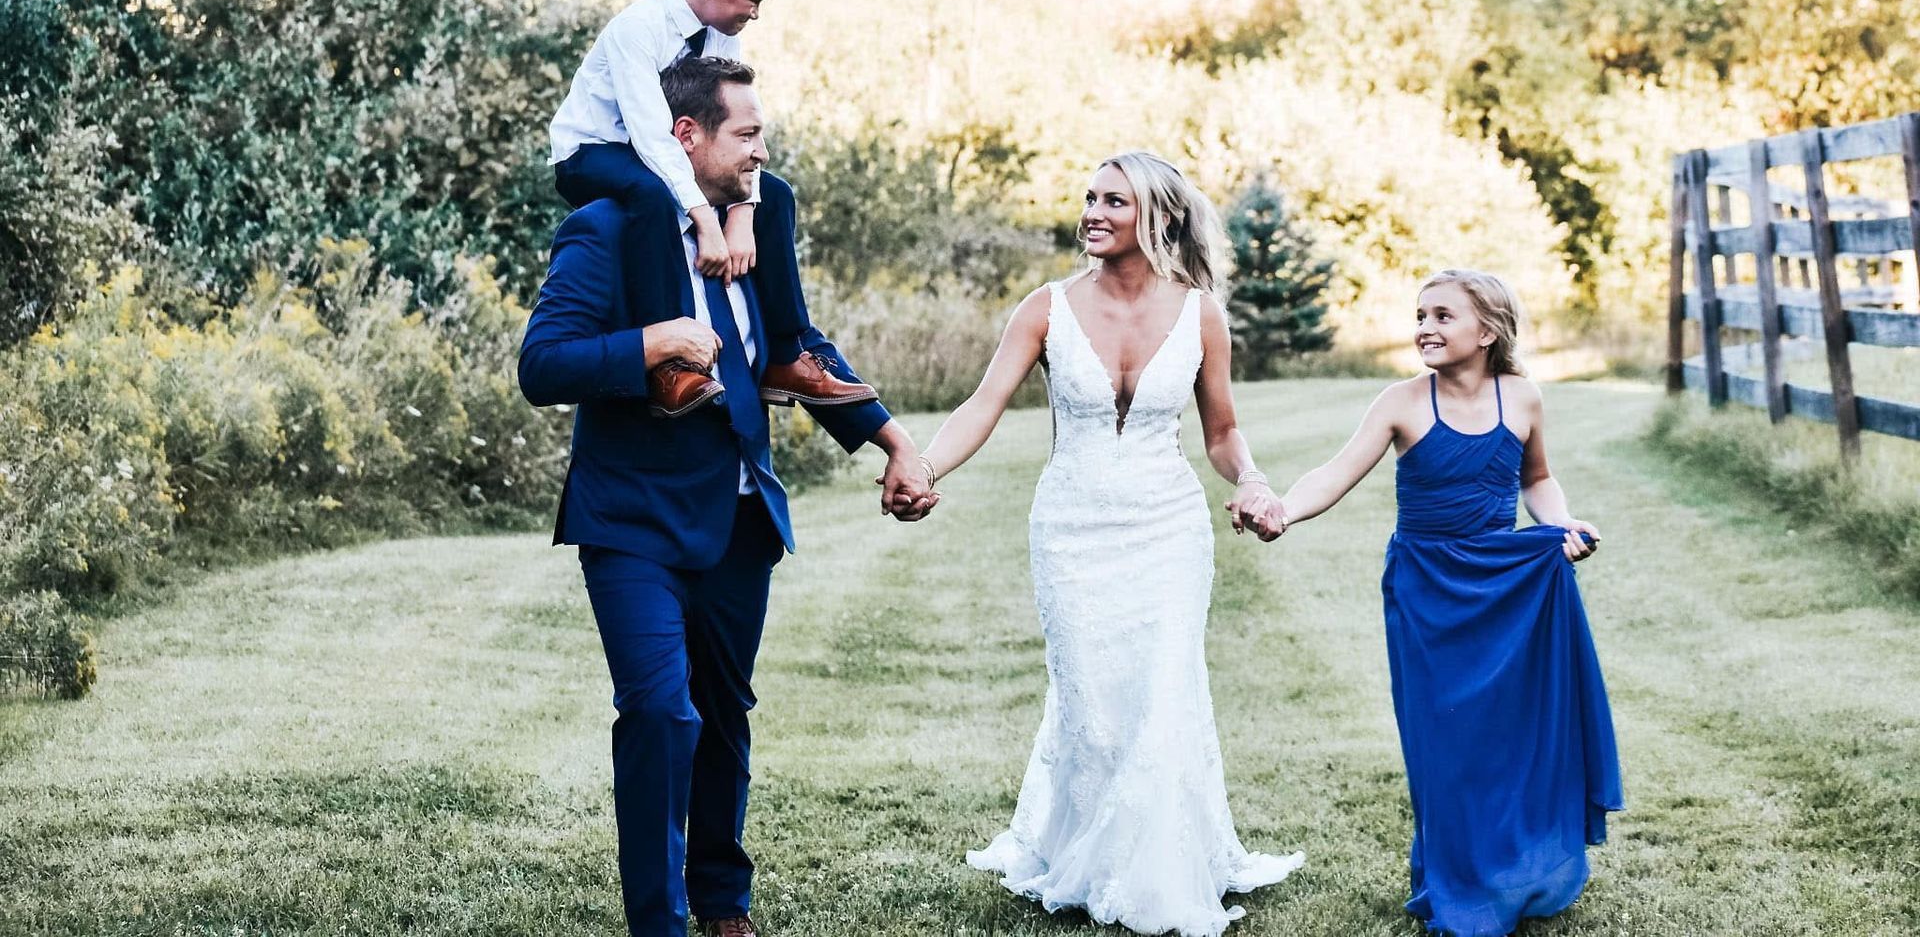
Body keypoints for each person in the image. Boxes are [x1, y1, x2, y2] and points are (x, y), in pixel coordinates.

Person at [520, 55, 938, 937]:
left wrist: (892, 438)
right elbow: (543, 365)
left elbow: (794, 339)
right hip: (630, 515)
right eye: (745, 134)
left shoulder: (766, 209)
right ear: (687, 137)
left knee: (722, 714)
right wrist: (654, 340)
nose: (760, 150)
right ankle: (658, 922)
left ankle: (721, 903)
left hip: (742, 512)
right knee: (660, 712)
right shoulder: (604, 227)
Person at [907, 151, 1305, 937]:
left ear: (1155, 216)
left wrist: (1253, 480)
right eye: (1089, 197)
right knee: (1090, 701)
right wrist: (920, 467)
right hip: (1072, 527)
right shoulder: (1046, 307)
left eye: (1112, 200)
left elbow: (1221, 433)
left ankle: (1156, 875)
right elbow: (982, 405)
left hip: (1168, 526)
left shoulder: (1201, 312)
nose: (1091, 211)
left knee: (1163, 686)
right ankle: (1085, 849)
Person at [1245, 268, 1623, 937]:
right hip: (1426, 592)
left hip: (1504, 586)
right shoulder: (1402, 402)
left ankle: (1514, 865)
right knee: (1441, 742)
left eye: (1443, 316)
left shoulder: (1524, 398)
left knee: (1506, 736)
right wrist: (1282, 510)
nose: (1425, 326)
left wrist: (1561, 526)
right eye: (1421, 314)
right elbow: (1334, 473)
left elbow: (1537, 478)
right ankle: (1454, 882)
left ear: (1488, 331)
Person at [547, 0, 872, 417]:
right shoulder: (637, 29)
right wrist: (706, 221)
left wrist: (743, 212)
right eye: (755, 0)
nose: (757, 13)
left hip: (658, 152)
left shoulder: (721, 37)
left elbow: (734, 128)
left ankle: (786, 358)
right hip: (594, 152)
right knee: (651, 197)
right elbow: (656, 138)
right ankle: (669, 367)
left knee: (777, 194)